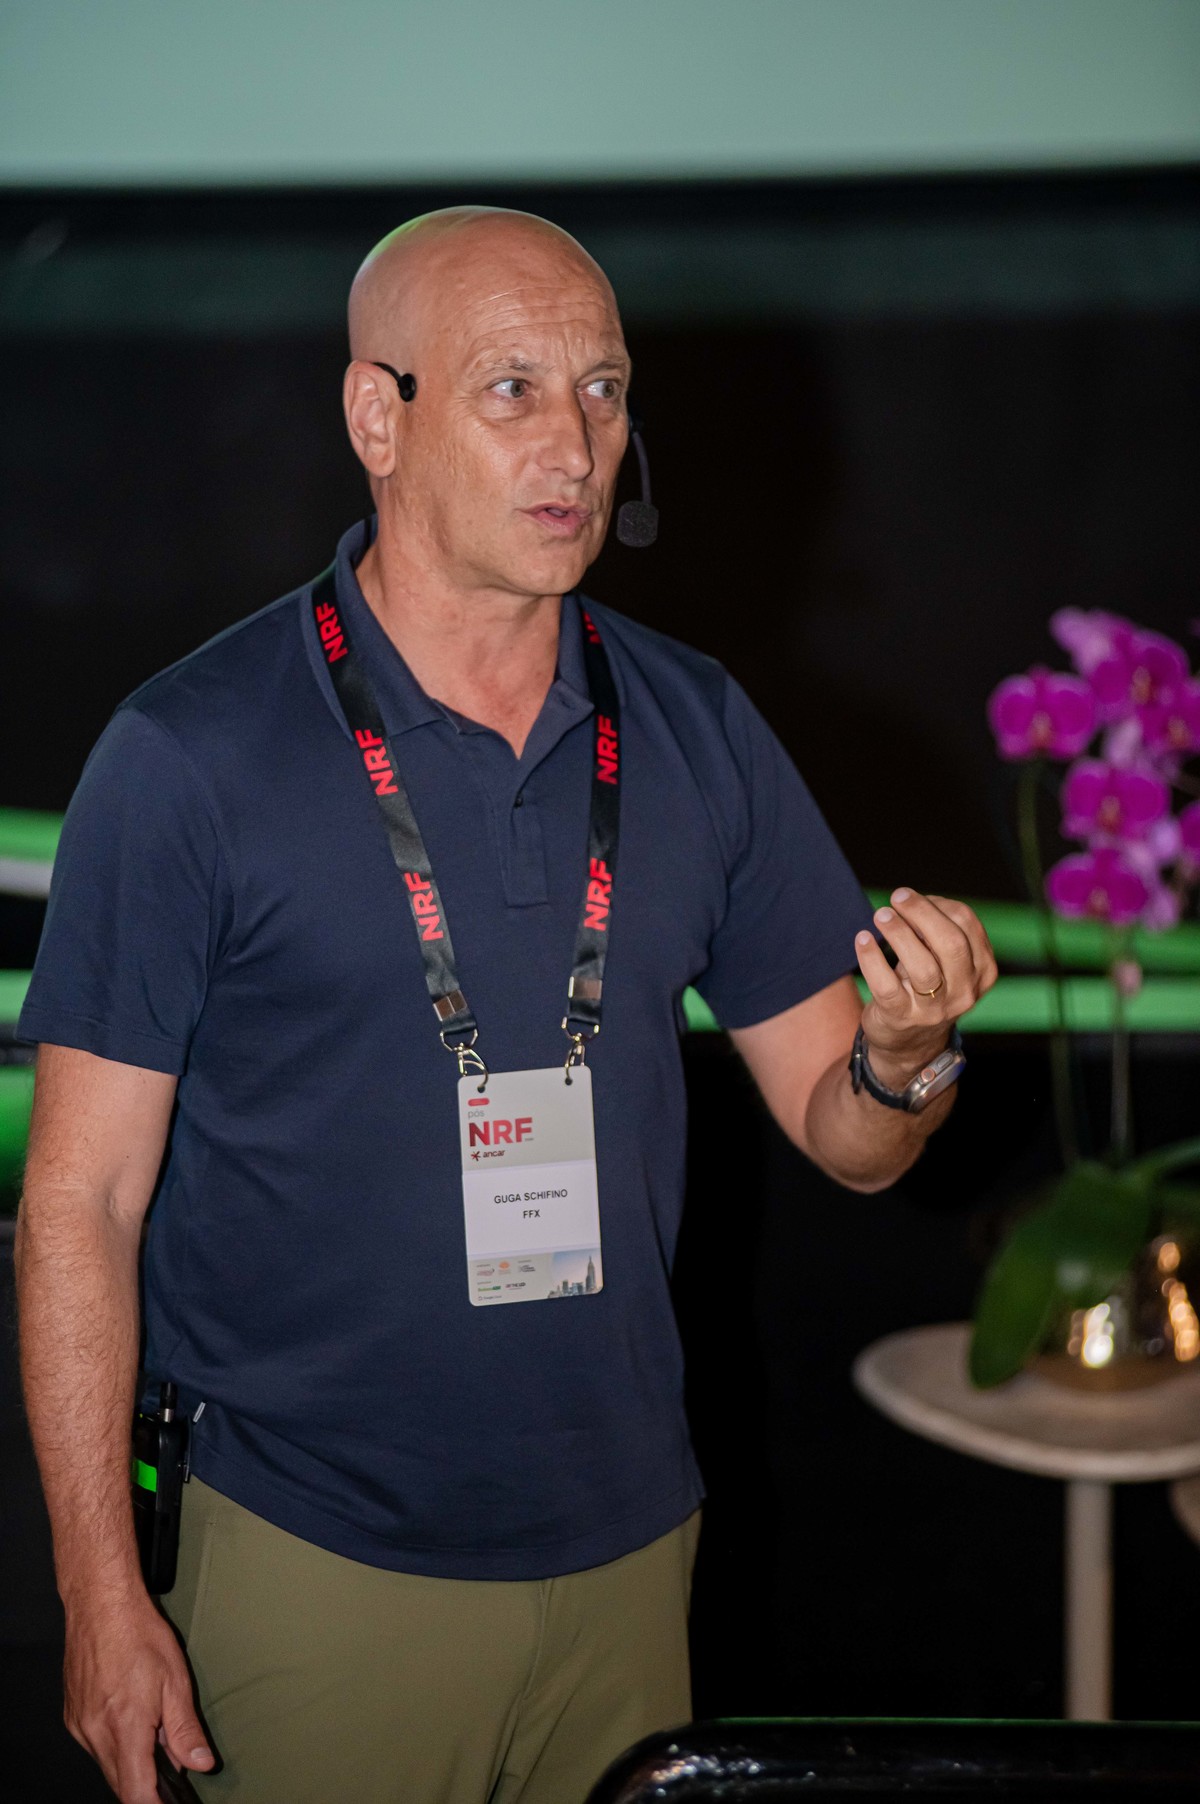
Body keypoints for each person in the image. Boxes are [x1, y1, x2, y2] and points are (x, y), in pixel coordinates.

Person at [15, 207, 997, 1804]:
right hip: (315, 1560)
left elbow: (854, 1141)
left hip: (631, 1551)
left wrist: (901, 1059)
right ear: (376, 416)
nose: (576, 444)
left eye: (604, 389)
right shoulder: (191, 752)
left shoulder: (692, 722)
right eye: (512, 389)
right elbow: (80, 1199)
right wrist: (96, 1589)